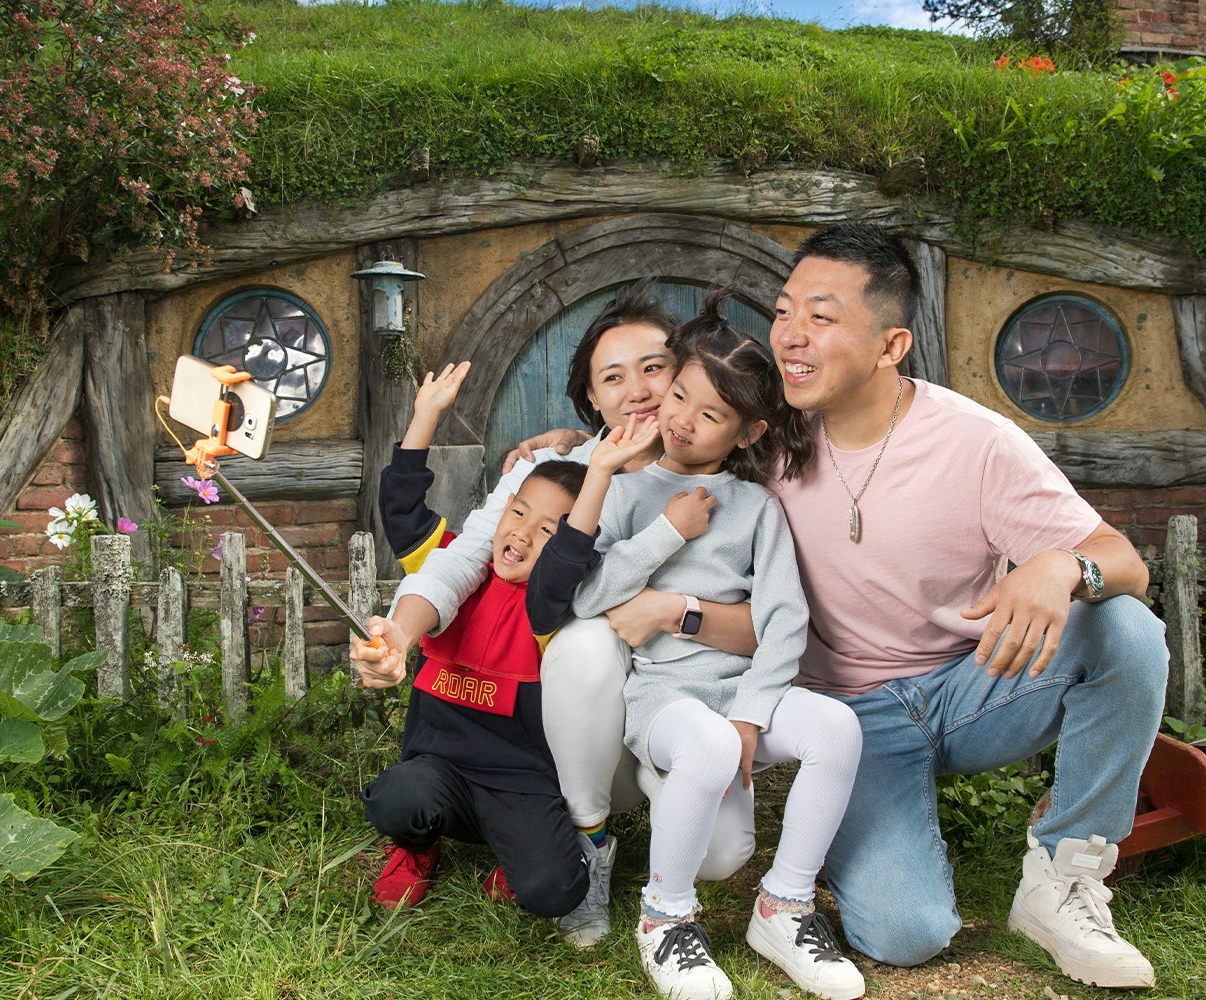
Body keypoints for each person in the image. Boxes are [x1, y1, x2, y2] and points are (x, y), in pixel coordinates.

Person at [767, 223, 1169, 990]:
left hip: (972, 688)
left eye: (821, 317)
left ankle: (1064, 873)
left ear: (891, 346)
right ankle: (873, 845)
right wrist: (564, 449)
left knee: (1123, 627)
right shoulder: (767, 434)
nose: (790, 335)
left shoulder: (976, 441)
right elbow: (668, 435)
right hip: (850, 722)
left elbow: (1125, 563)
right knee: (906, 935)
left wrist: (1061, 565)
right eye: (784, 311)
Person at [370, 283, 761, 946]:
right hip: (570, 728)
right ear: (591, 397)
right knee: (584, 640)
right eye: (613, 377)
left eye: (655, 368)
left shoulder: (733, 478)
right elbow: (465, 559)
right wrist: (402, 632)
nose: (638, 390)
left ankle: (581, 820)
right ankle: (586, 837)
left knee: (721, 856)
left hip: (681, 699)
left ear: (685, 375)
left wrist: (676, 611)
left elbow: (773, 622)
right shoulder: (556, 471)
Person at [573, 296, 865, 1000]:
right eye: (679, 395)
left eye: (710, 415)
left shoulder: (757, 507)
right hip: (665, 697)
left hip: (741, 689)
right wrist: (668, 532)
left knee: (837, 728)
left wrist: (752, 713)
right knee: (705, 746)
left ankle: (784, 905)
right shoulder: (625, 489)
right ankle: (664, 919)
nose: (681, 419)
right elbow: (588, 597)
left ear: (747, 433)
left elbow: (785, 619)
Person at [353, 361, 661, 922]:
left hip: (520, 785)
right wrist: (425, 417)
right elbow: (402, 513)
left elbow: (570, 556)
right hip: (439, 770)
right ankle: (417, 847)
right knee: (395, 798)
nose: (521, 532)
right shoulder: (455, 572)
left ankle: (517, 852)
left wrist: (597, 467)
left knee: (553, 891)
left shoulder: (549, 608)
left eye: (546, 530)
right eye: (517, 512)